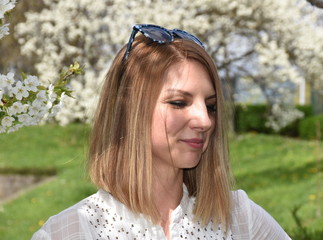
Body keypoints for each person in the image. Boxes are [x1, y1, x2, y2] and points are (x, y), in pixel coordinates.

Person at [32, 24, 292, 240]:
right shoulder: (72, 231)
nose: (205, 120)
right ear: (129, 110)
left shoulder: (239, 218)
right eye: (179, 102)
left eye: (211, 106)